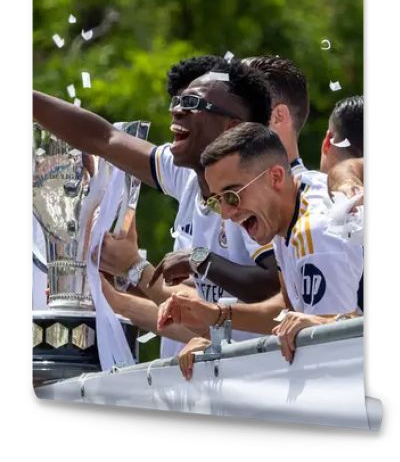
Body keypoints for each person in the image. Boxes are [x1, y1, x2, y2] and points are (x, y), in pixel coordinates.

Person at [33, 58, 280, 357]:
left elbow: (275, 286)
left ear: (232, 127)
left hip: (260, 378)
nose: (176, 109)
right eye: (177, 100)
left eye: (192, 103)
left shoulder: (256, 189)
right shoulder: (187, 173)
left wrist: (196, 259)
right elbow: (104, 138)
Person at [157, 122, 363, 377]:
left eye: (232, 196)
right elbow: (287, 310)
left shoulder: (314, 232)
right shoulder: (292, 202)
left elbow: (339, 347)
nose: (228, 214)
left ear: (275, 177)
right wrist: (216, 317)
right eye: (216, 202)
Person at [148, 54, 311, 294]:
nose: (225, 211)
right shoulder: (204, 172)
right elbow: (106, 140)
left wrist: (135, 269)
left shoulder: (307, 203)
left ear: (277, 116)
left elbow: (276, 293)